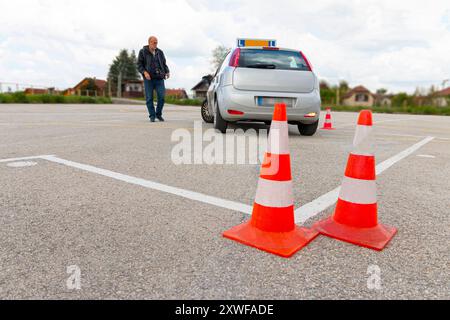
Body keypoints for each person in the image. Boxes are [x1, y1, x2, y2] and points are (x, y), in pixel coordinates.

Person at [137, 36, 170, 122]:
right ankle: (152, 115)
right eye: (154, 42)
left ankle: (158, 114)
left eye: (156, 42)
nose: (156, 44)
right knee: (149, 98)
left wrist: (167, 71)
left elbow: (164, 63)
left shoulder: (160, 52)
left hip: (159, 78)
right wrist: (144, 72)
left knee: (162, 97)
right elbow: (139, 65)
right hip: (148, 79)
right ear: (149, 43)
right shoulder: (143, 52)